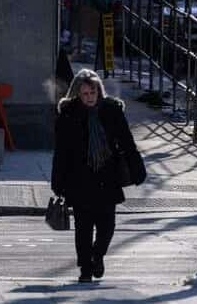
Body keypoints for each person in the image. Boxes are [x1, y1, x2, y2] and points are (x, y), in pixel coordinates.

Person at [51, 70, 143, 283]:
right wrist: (58, 182)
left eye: (92, 92)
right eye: (84, 93)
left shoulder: (111, 111)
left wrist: (137, 167)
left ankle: (97, 255)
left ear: (98, 91)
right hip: (79, 178)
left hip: (107, 176)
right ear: (77, 94)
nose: (89, 97)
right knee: (83, 227)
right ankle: (85, 268)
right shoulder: (68, 115)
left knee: (107, 226)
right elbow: (61, 152)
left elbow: (127, 142)